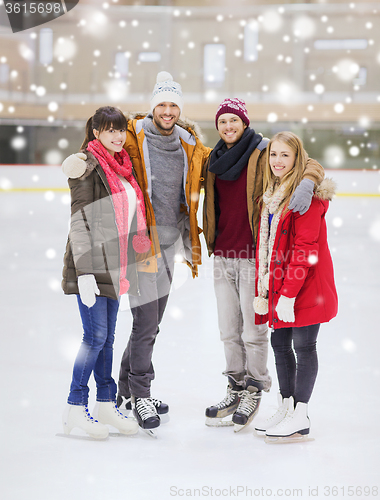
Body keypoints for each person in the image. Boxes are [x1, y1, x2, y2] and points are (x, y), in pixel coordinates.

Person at [62, 73, 211, 434]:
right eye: (161, 103)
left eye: (173, 104)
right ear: (151, 107)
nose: (167, 110)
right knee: (135, 326)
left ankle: (122, 393)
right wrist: (76, 161)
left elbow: (231, 160)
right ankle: (136, 394)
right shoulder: (131, 138)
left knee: (148, 323)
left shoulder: (190, 145)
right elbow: (91, 160)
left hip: (166, 243)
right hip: (136, 248)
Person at [202, 99, 325, 432]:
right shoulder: (211, 158)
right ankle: (235, 387)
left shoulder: (263, 151)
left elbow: (306, 161)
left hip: (254, 254)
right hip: (222, 254)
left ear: (245, 122)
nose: (228, 126)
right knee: (228, 330)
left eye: (234, 120)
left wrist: (307, 182)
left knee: (253, 332)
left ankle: (255, 389)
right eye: (223, 121)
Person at [61, 106, 151, 439]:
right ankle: (74, 407)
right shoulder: (86, 167)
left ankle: (104, 404)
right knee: (95, 337)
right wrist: (84, 272)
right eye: (109, 130)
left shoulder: (123, 168)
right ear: (95, 132)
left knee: (108, 340)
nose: (117, 136)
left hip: (116, 266)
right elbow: (80, 221)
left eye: (121, 130)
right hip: (93, 266)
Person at [253, 131, 338, 442]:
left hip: (306, 286)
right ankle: (286, 406)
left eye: (285, 155)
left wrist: (288, 294)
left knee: (303, 347)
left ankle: (301, 414)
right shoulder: (273, 193)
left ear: (297, 158)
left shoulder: (308, 197)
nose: (277, 161)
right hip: (282, 284)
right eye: (274, 154)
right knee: (279, 345)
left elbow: (305, 249)